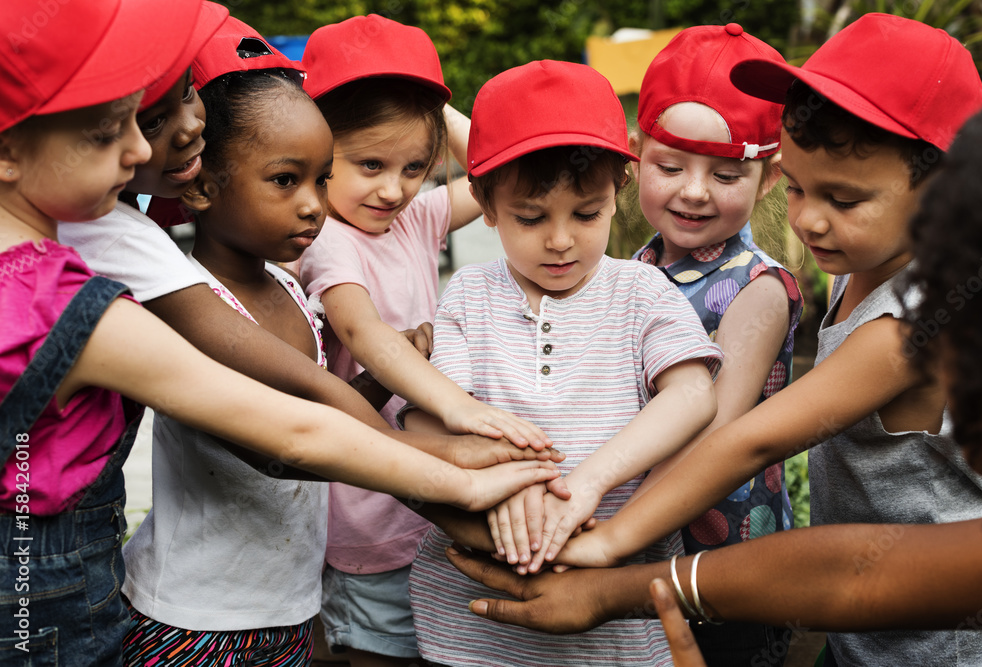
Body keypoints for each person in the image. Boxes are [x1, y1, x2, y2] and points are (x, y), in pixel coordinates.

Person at [0, 2, 563, 662]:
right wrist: (454, 477)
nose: (144, 146)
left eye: (153, 112)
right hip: (118, 601)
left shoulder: (242, 267)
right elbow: (288, 430)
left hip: (237, 598)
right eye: (114, 129)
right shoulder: (79, 291)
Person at [443, 14, 982, 667]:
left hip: (936, 645)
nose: (808, 217)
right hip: (857, 628)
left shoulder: (914, 317)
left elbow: (750, 437)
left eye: (844, 200)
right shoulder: (863, 264)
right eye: (796, 187)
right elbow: (514, 166)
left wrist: (607, 541)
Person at [405, 59, 724, 667]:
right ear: (485, 202)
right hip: (476, 623)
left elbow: (691, 396)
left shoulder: (642, 292)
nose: (560, 240)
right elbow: (432, 419)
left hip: (617, 619)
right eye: (530, 217)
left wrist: (586, 485)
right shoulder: (469, 295)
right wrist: (503, 489)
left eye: (586, 213)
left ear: (618, 191)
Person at [294, 17, 547, 665]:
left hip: (431, 505)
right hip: (367, 513)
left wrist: (431, 103)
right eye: (369, 164)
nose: (392, 188)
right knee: (379, 650)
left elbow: (507, 167)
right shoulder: (327, 236)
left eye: (414, 166)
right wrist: (458, 404)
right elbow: (361, 329)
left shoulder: (414, 217)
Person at [118, 22, 328, 665]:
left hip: (287, 606)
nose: (315, 206)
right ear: (203, 188)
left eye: (322, 179)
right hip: (195, 620)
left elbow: (315, 417)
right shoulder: (192, 304)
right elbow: (277, 449)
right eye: (286, 180)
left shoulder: (292, 291)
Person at [621, 25, 805, 664]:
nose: (694, 190)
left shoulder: (758, 287)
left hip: (726, 570)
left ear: (769, 176)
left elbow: (714, 430)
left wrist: (611, 531)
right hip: (640, 552)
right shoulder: (632, 269)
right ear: (635, 154)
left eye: (726, 174)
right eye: (669, 167)